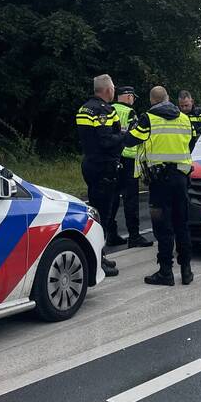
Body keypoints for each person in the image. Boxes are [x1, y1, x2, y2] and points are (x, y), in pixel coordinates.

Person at [124, 86, 196, 286]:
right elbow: (191, 142)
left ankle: (166, 272)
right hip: (181, 178)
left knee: (162, 226)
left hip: (159, 181)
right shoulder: (184, 118)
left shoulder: (148, 119)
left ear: (152, 101)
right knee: (182, 224)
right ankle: (186, 270)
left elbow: (130, 140)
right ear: (168, 98)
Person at [76, 74, 123, 277]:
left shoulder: (84, 108)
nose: (114, 91)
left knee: (97, 212)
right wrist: (123, 135)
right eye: (113, 88)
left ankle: (100, 256)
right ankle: (98, 261)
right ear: (107, 90)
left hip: (90, 163)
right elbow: (106, 140)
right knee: (102, 216)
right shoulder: (104, 110)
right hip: (103, 166)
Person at [110, 86, 152, 248]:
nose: (133, 100)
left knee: (113, 198)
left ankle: (110, 234)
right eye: (133, 97)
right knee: (131, 199)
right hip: (128, 160)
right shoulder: (130, 113)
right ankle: (134, 236)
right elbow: (135, 136)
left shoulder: (110, 109)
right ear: (128, 97)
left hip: (113, 159)